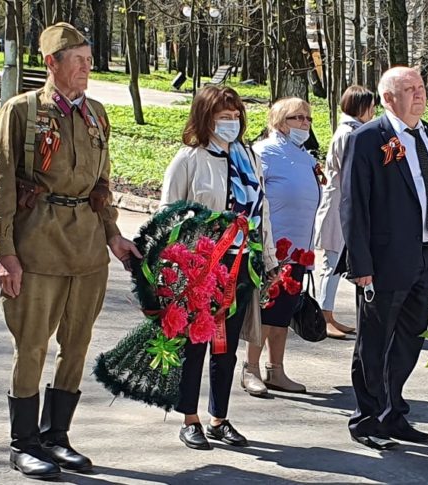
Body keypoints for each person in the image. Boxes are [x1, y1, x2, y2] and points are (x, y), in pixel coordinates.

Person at [0, 22, 140, 479]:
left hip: (87, 249)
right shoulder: (22, 111)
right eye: (79, 60)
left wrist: (113, 234)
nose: (88, 67)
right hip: (38, 246)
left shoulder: (95, 114)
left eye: (90, 59)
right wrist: (5, 251)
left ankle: (56, 436)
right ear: (53, 63)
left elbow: (102, 185)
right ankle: (24, 441)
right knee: (31, 345)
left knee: (76, 344)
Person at [342, 66, 428, 450]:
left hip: (425, 256)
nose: (420, 94)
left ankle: (393, 411)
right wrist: (360, 265)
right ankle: (366, 418)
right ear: (388, 98)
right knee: (375, 342)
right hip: (385, 260)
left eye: (422, 87)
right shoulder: (369, 138)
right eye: (410, 88)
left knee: (408, 340)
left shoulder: (426, 134)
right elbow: (354, 205)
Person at [160, 85, 278, 450]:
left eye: (234, 116)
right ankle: (189, 417)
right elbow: (167, 216)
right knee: (196, 343)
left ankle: (219, 416)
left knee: (225, 346)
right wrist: (173, 267)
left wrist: (270, 259)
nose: (230, 123)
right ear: (205, 118)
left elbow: (262, 211)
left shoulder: (248, 157)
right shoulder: (189, 159)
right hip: (200, 268)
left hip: (241, 265)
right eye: (222, 117)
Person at [244, 97, 322, 396]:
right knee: (265, 310)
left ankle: (276, 369)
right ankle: (250, 368)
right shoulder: (264, 152)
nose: (305, 124)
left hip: (299, 246)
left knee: (284, 312)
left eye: (307, 119)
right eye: (297, 118)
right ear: (279, 121)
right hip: (272, 245)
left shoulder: (305, 156)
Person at [314, 85, 377, 339]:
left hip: (344, 205)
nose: (374, 111)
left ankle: (329, 315)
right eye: (371, 106)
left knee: (338, 263)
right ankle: (323, 316)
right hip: (339, 206)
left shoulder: (353, 131)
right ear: (360, 107)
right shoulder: (348, 134)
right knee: (331, 263)